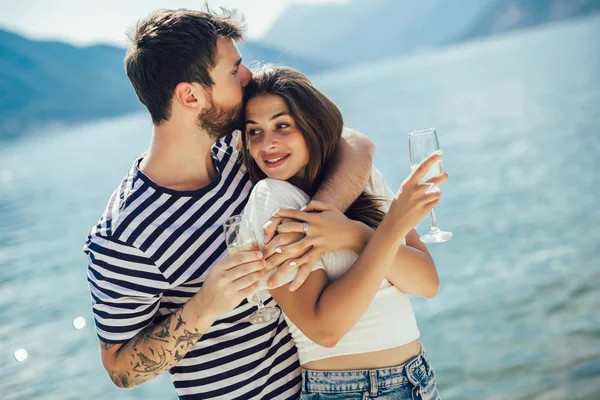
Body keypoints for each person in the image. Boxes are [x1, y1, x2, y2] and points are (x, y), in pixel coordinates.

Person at [83, 8, 377, 400]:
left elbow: (354, 145)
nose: (248, 77)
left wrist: (313, 223)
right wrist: (205, 305)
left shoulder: (242, 148)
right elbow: (120, 370)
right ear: (191, 95)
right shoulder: (124, 234)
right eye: (234, 70)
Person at [239, 65, 446, 399]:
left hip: (418, 381)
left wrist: (357, 235)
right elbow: (326, 328)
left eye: (282, 126)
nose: (268, 144)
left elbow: (427, 283)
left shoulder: (360, 178)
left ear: (310, 125)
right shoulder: (272, 200)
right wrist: (389, 229)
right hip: (345, 391)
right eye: (254, 132)